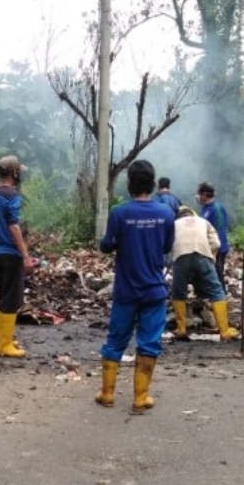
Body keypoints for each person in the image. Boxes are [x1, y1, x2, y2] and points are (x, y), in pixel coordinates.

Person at [95, 160, 175, 415]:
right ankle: (140, 398)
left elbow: (106, 245)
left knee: (116, 340)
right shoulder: (165, 213)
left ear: (129, 183)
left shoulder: (120, 213)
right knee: (149, 342)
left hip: (126, 290)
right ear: (152, 183)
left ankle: (107, 394)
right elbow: (166, 247)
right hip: (154, 290)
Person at [0, 155, 36, 358]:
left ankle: (1, 339)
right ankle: (4, 345)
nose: (20, 175)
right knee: (12, 300)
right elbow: (13, 226)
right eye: (19, 172)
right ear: (14, 173)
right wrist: (25, 255)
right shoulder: (12, 195)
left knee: (4, 297)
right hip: (11, 253)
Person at [170, 207, 239, 341]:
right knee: (215, 290)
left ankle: (181, 329)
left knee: (178, 292)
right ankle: (224, 331)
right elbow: (216, 243)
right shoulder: (203, 221)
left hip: (181, 256)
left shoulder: (174, 224)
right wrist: (208, 252)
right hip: (202, 255)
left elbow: (167, 243)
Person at [196, 182, 230, 282]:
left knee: (217, 275)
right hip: (207, 248)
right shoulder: (205, 208)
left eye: (199, 194)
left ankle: (221, 291)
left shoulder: (216, 208)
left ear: (204, 195)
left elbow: (220, 230)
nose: (197, 197)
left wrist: (214, 249)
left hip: (217, 249)